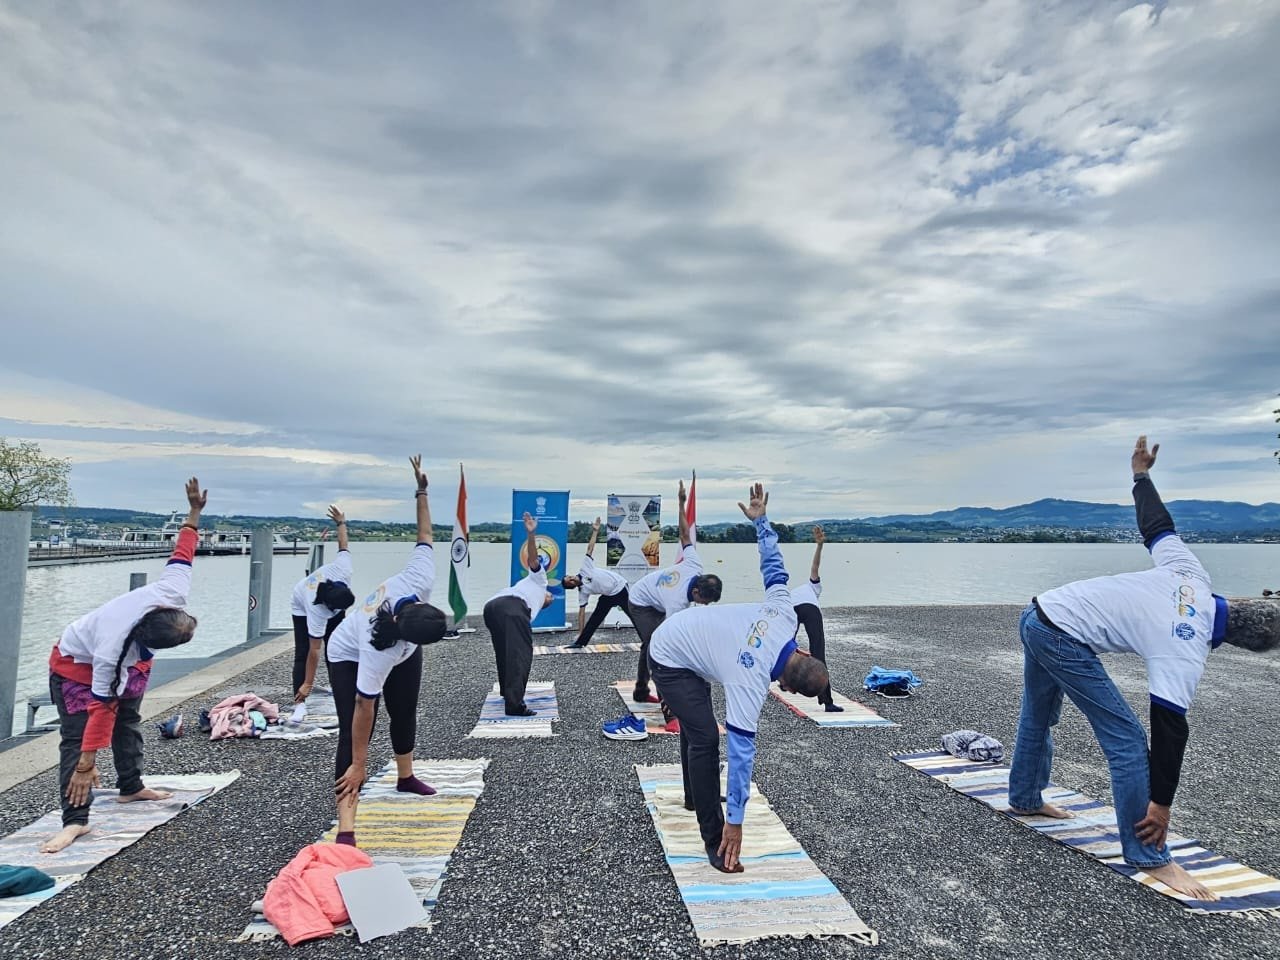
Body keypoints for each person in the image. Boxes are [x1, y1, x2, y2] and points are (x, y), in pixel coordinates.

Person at [1009, 436, 1278, 900]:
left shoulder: (1192, 574)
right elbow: (1169, 731)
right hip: (1059, 632)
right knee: (1128, 742)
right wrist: (1161, 806)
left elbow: (1156, 525)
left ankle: (1026, 799)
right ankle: (1149, 855)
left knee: (1039, 715)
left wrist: (1141, 475)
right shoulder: (1187, 647)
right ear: (1241, 643)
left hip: (1040, 610)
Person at [649, 483, 829, 873]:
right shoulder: (751, 683)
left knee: (697, 728)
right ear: (787, 687)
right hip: (667, 655)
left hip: (692, 638)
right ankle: (712, 839)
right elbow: (741, 755)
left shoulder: (785, 614)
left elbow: (774, 566)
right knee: (705, 736)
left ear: (804, 651)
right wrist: (734, 822)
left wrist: (762, 521)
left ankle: (696, 795)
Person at [42, 477, 208, 854]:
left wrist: (194, 512)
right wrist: (88, 761)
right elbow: (102, 704)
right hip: (75, 665)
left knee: (129, 721)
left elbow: (182, 553)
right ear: (146, 640)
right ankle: (75, 820)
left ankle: (131, 787)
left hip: (131, 665)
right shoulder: (111, 652)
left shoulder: (172, 592)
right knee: (76, 737)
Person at [330, 457, 448, 847]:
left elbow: (425, 532)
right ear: (407, 634)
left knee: (405, 709)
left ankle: (405, 776)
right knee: (351, 732)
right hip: (346, 654)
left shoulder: (418, 580)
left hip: (401, 647)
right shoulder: (377, 647)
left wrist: (422, 489)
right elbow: (366, 707)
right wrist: (362, 763)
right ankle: (346, 828)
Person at [624, 479, 722, 721]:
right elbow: (670, 641)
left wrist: (681, 503)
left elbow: (684, 534)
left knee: (649, 644)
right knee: (657, 647)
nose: (704, 606)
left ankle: (640, 691)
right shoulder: (676, 602)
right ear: (697, 593)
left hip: (654, 599)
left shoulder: (694, 563)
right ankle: (669, 711)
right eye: (705, 602)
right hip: (639, 601)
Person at [482, 511, 554, 715]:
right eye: (551, 597)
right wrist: (531, 534)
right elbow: (533, 558)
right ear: (546, 594)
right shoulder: (540, 582)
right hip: (511, 607)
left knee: (505, 652)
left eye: (550, 600)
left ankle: (508, 692)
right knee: (520, 655)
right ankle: (514, 705)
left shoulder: (534, 602)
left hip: (491, 607)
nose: (551, 598)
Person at [288, 505, 355, 704]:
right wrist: (309, 682)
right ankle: (299, 702)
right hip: (300, 604)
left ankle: (339, 688)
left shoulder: (343, 570)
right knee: (302, 652)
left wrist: (341, 523)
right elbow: (313, 650)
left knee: (336, 647)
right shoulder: (316, 609)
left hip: (332, 599)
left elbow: (343, 545)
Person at [561, 516, 633, 648]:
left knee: (634, 615)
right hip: (608, 596)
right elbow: (581, 612)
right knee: (595, 618)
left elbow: (590, 548)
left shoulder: (584, 568)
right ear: (572, 586)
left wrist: (595, 531)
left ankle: (649, 639)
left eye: (569, 577)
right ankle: (581, 642)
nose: (571, 578)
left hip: (620, 587)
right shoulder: (583, 592)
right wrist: (580, 633)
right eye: (570, 581)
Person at [792, 525, 842, 712]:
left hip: (790, 608)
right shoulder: (813, 587)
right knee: (818, 653)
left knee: (783, 648)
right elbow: (815, 566)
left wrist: (820, 545)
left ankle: (782, 681)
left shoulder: (795, 591)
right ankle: (827, 702)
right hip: (809, 609)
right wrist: (820, 545)